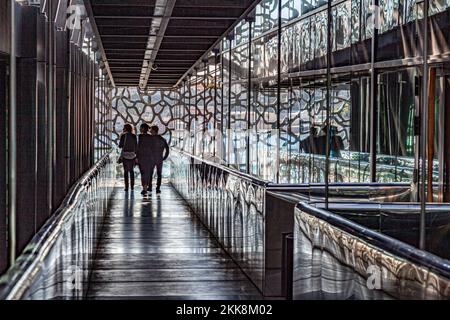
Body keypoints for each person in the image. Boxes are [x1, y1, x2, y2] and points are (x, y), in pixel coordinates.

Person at [148, 125, 170, 195]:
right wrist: (165, 157)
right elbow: (167, 149)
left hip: (151, 158)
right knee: (159, 174)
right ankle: (158, 188)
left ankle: (150, 187)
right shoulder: (162, 139)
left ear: (154, 130)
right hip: (159, 158)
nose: (150, 131)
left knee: (150, 173)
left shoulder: (150, 139)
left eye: (151, 130)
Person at [118, 124, 137, 192]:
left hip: (125, 155)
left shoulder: (123, 135)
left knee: (126, 171)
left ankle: (126, 187)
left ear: (125, 128)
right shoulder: (134, 136)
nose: (123, 129)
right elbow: (136, 146)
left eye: (124, 128)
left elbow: (120, 146)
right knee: (131, 171)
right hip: (132, 155)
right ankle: (132, 186)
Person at [136, 123, 153, 196]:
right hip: (149, 157)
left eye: (140, 128)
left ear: (143, 128)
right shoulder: (150, 137)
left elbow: (138, 147)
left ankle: (144, 188)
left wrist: (136, 157)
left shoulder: (140, 136)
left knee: (143, 173)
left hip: (141, 157)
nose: (140, 129)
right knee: (147, 173)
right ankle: (146, 186)